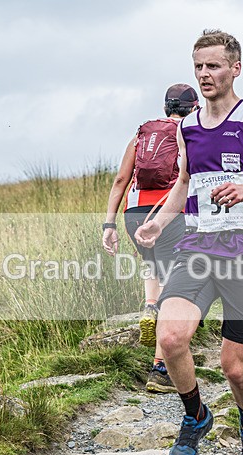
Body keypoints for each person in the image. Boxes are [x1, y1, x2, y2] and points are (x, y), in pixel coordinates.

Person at [135, 29, 243, 455]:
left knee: (234, 367)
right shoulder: (187, 126)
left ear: (235, 69)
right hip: (196, 250)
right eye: (198, 67)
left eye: (213, 66)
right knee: (169, 339)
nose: (205, 75)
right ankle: (196, 417)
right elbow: (184, 184)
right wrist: (158, 223)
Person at [102, 83, 200, 394]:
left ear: (165, 108)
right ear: (194, 108)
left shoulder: (141, 136)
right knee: (174, 286)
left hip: (133, 214)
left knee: (153, 265)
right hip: (169, 213)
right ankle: (160, 368)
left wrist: (109, 224)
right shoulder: (189, 134)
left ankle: (148, 305)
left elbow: (120, 180)